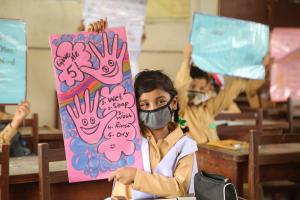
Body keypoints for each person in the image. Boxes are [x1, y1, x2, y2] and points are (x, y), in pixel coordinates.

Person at [88, 19, 197, 199]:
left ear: (174, 103)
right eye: (144, 105)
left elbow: (179, 188)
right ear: (133, 107)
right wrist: (97, 41)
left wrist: (137, 176)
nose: (153, 109)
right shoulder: (126, 134)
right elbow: (103, 89)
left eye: (160, 101)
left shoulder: (185, 146)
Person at [175, 44, 264, 144]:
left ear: (207, 89)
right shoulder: (181, 109)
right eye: (192, 86)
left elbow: (230, 92)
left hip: (214, 151)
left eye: (202, 88)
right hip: (196, 155)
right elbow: (180, 87)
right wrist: (186, 60)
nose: (197, 91)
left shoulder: (208, 107)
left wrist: (256, 67)